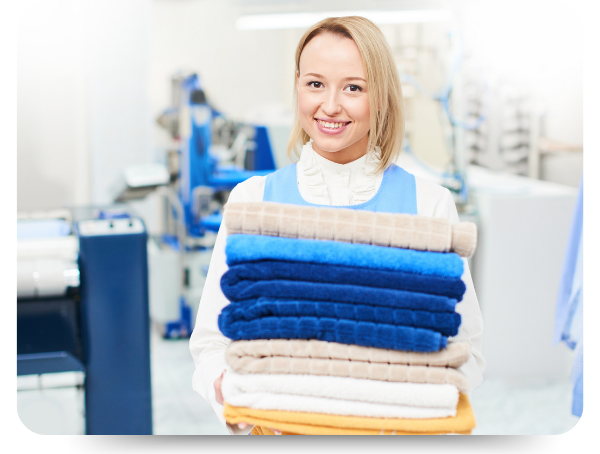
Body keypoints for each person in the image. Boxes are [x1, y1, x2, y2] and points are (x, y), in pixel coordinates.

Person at [189, 16, 485, 435]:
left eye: (353, 87)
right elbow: (212, 342)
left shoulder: (428, 206)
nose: (330, 105)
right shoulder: (253, 203)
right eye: (315, 84)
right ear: (297, 86)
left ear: (380, 95)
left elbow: (466, 349)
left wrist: (411, 408)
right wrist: (246, 401)